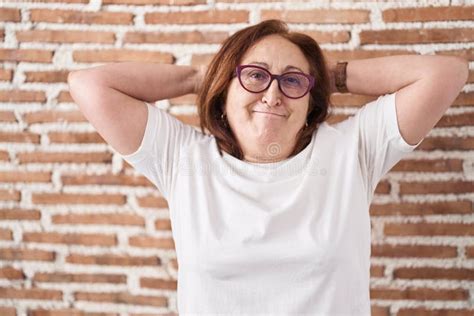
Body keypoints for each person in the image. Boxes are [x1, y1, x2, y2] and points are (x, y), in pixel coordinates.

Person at [68, 19, 468, 315]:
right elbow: (89, 84)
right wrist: (199, 77)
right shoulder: (184, 159)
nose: (273, 94)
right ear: (224, 92)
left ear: (310, 101)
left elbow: (445, 73)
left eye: (293, 82)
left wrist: (328, 76)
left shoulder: (351, 149)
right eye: (255, 76)